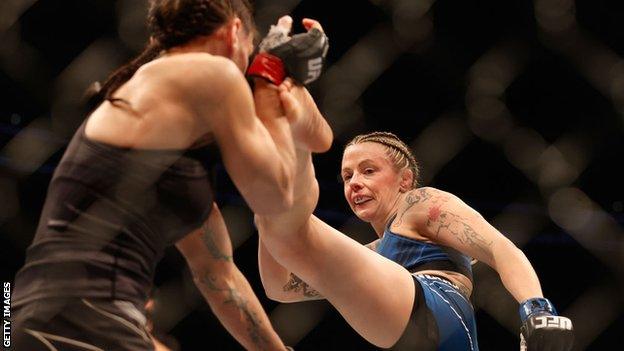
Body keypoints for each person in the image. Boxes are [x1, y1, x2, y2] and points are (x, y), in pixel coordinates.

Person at [10, 0, 326, 349]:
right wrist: (268, 75)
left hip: (37, 315)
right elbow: (274, 196)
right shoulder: (211, 72)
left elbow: (218, 277)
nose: (244, 76)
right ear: (234, 33)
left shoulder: (169, 162)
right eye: (247, 56)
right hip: (88, 316)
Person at [254, 80, 575, 349]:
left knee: (294, 224)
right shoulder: (377, 255)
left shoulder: (420, 203)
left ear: (404, 179)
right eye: (347, 176)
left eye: (368, 171)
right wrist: (261, 213)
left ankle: (299, 138)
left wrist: (535, 309)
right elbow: (279, 287)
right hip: (438, 338)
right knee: (282, 225)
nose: (355, 184)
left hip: (439, 312)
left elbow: (499, 247)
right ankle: (279, 171)